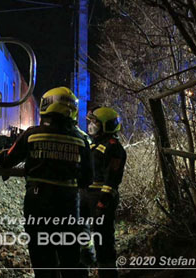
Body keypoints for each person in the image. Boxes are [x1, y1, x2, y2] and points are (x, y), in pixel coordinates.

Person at [0, 87, 92, 278]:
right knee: (69, 256)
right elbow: (87, 179)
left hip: (38, 203)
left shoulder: (32, 134)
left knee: (42, 256)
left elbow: (6, 159)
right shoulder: (82, 140)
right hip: (68, 205)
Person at [83, 107, 127, 278]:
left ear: (106, 125)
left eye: (95, 122)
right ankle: (85, 265)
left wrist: (103, 201)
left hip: (101, 199)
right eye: (91, 121)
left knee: (103, 239)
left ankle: (108, 273)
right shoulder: (94, 144)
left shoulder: (114, 148)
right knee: (81, 234)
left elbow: (112, 179)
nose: (91, 125)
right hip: (87, 196)